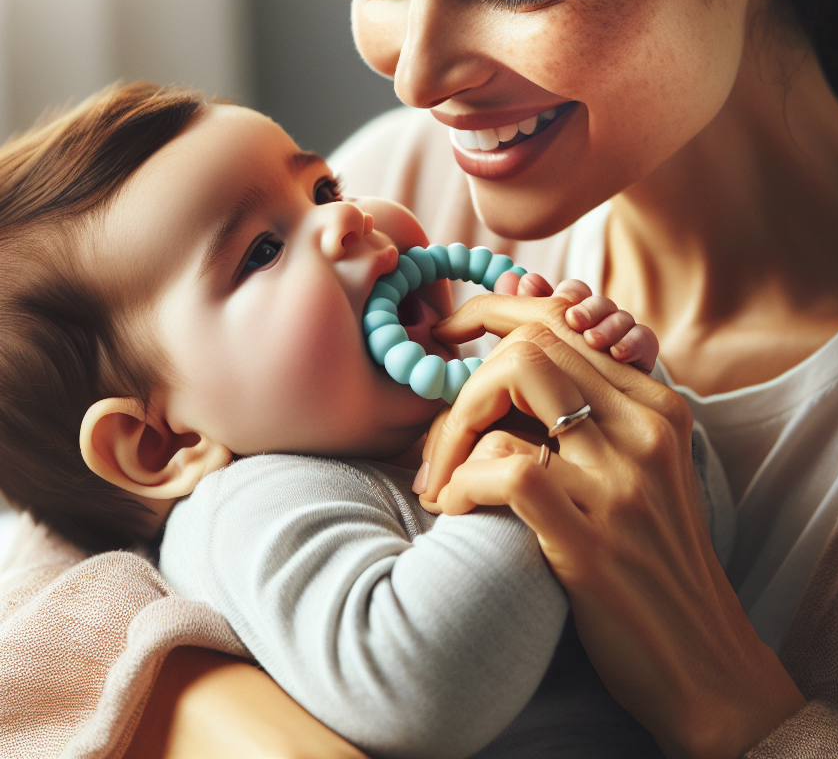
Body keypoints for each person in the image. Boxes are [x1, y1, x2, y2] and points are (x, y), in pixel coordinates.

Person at [2, 0, 838, 757]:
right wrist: (239, 723)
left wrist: (725, 700)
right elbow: (40, 537)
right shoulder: (405, 185)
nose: (417, 76)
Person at [1, 82, 726, 758]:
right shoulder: (249, 505)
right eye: (261, 250)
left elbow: (710, 550)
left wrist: (611, 394)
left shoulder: (456, 403)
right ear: (166, 442)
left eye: (323, 188)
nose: (345, 219)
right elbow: (418, 689)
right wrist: (527, 465)